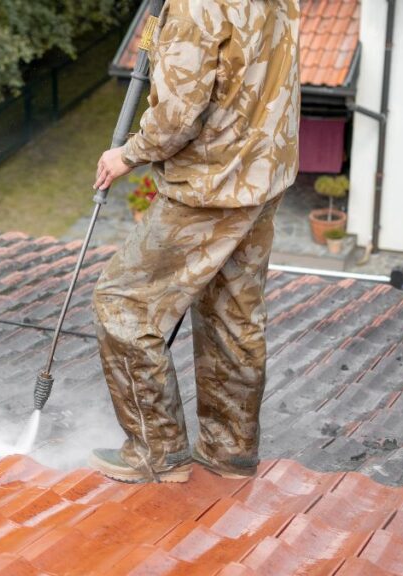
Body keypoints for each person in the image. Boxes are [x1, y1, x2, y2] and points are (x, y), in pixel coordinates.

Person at [88, 0, 301, 483]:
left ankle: (156, 451)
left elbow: (177, 115)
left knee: (123, 304)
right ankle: (231, 451)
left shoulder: (193, 5)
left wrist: (129, 154)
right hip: (261, 180)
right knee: (234, 314)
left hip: (209, 186)